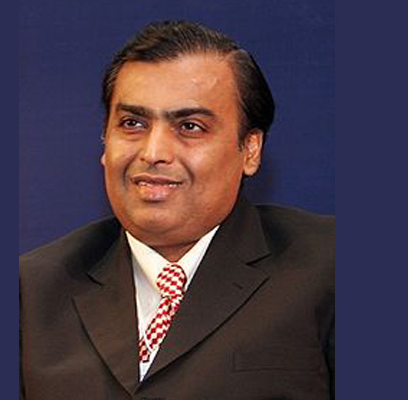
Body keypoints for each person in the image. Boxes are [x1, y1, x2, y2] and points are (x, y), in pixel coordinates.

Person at [20, 21, 334, 400]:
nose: (153, 152)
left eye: (190, 126)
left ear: (250, 150)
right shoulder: (31, 292)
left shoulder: (327, 267)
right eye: (132, 123)